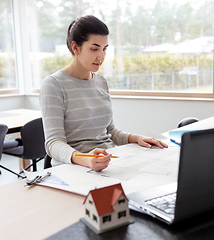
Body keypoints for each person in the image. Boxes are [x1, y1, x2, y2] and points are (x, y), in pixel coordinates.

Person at [40, 15, 167, 171]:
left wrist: (137, 138)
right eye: (94, 48)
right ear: (75, 47)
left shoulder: (101, 82)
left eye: (105, 49)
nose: (101, 56)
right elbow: (53, 144)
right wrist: (85, 159)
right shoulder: (53, 84)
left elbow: (110, 131)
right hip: (75, 168)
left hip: (109, 161)